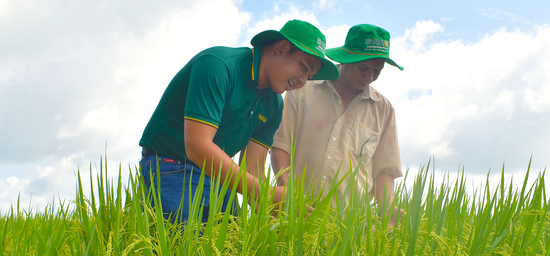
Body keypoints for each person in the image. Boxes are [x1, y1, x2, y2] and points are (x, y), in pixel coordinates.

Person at [139, 20, 339, 223]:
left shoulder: (274, 105)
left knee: (230, 250)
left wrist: (278, 214)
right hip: (171, 166)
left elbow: (252, 168)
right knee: (180, 248)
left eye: (309, 77)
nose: (303, 81)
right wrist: (269, 193)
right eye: (304, 68)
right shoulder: (218, 65)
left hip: (219, 177)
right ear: (281, 48)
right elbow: (197, 146)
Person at [270, 24, 404, 223]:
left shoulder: (383, 109)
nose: (370, 77)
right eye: (363, 68)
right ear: (345, 60)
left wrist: (389, 208)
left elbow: (384, 171)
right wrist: (288, 192)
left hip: (349, 227)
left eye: (377, 71)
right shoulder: (303, 90)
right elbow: (280, 146)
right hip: (295, 216)